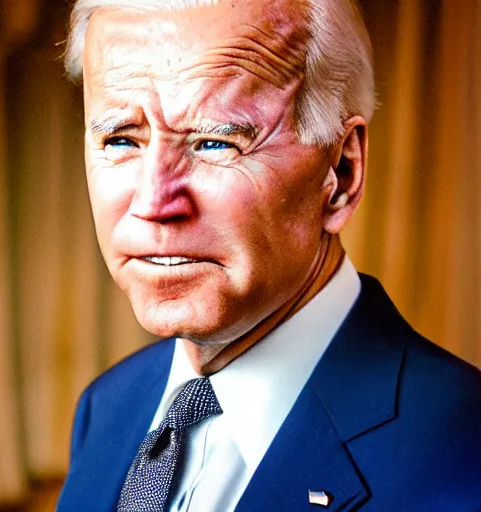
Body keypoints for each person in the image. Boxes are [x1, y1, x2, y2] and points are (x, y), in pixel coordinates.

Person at [57, 0, 481, 510]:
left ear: (340, 174)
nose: (152, 205)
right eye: (121, 139)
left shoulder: (463, 457)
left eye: (214, 143)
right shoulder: (105, 407)